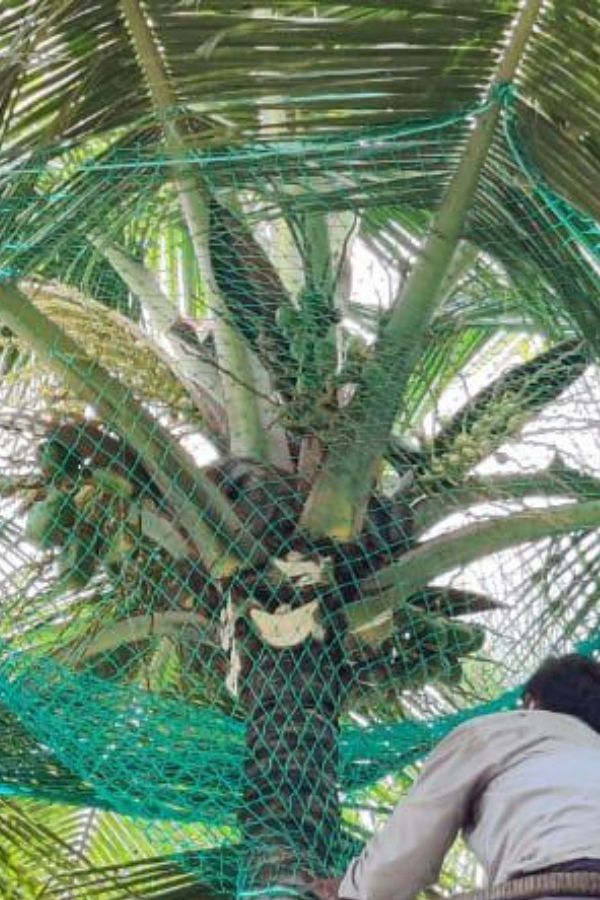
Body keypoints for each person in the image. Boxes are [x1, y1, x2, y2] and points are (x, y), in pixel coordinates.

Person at [322, 654, 600, 900]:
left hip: (559, 886)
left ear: (532, 702)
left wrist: (353, 891)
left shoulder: (497, 733)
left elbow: (406, 851)